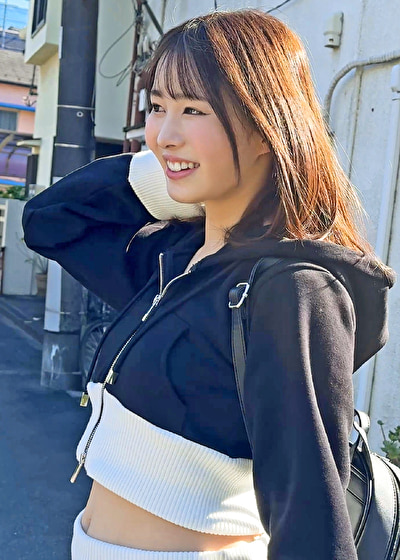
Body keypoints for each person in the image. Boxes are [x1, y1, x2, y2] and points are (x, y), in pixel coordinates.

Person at [22, 9, 395, 560]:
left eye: (193, 110)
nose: (164, 134)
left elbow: (310, 516)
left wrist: (191, 171)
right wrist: (173, 174)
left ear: (267, 126)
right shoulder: (175, 259)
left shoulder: (289, 289)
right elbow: (49, 221)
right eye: (157, 107)